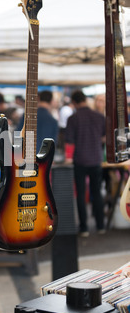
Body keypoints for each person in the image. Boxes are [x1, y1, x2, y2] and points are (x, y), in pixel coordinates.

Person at [65, 90, 106, 237]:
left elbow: (69, 141)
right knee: (97, 193)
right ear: (85, 100)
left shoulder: (73, 118)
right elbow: (104, 137)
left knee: (81, 195)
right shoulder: (99, 117)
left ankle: (84, 228)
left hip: (80, 161)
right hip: (96, 159)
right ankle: (101, 226)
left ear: (75, 102)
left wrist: (68, 158)